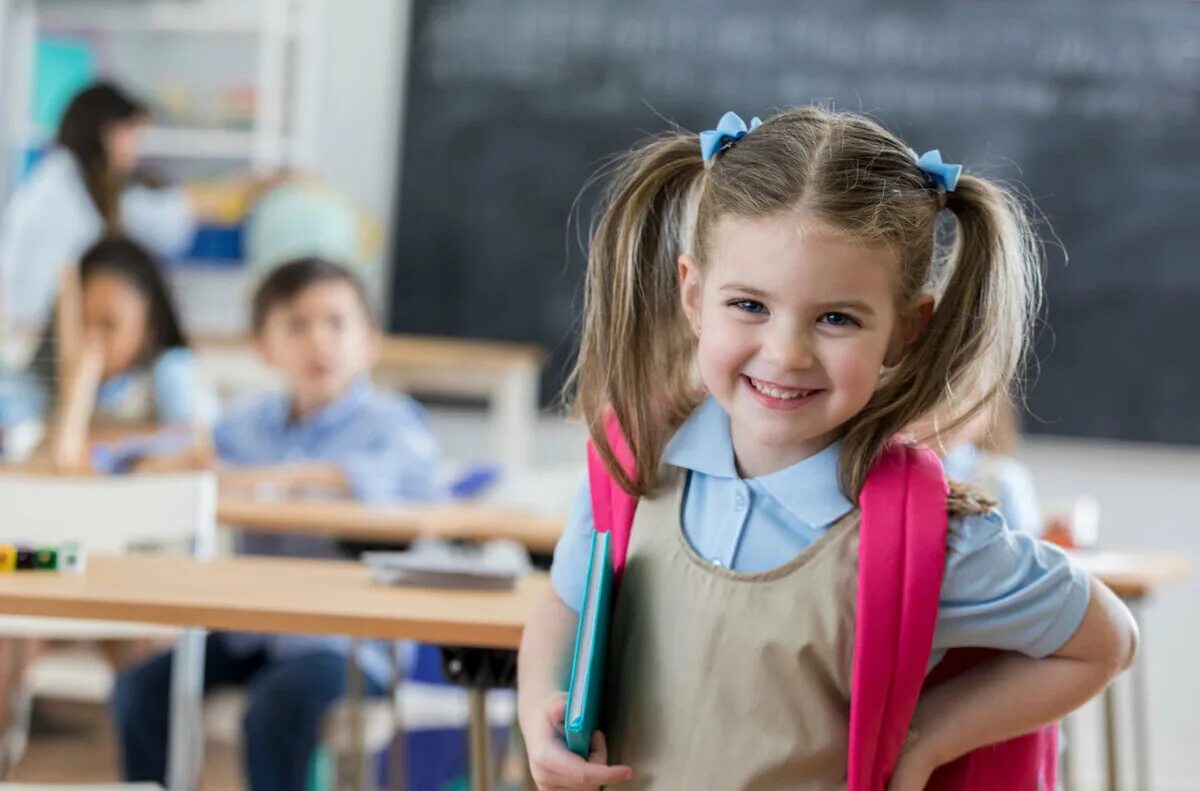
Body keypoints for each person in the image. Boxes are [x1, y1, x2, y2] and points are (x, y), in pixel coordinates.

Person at [517, 108, 1138, 789]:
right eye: (749, 305)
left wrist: (921, 743)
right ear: (693, 295)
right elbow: (565, 606)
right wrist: (538, 707)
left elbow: (1107, 640)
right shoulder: (634, 459)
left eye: (836, 318)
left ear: (906, 330)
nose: (786, 353)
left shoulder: (926, 541)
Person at [111, 257, 440, 791]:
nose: (318, 341)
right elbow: (161, 453)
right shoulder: (249, 421)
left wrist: (255, 479)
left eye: (336, 323)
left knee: (274, 707)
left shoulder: (392, 422)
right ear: (263, 347)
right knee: (140, 690)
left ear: (369, 342)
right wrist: (166, 463)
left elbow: (398, 481)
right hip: (253, 632)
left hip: (348, 645)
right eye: (297, 325)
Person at [0, 82, 195, 330]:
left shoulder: (70, 182)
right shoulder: (63, 194)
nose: (136, 147)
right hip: (43, 328)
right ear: (107, 133)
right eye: (132, 133)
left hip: (45, 326)